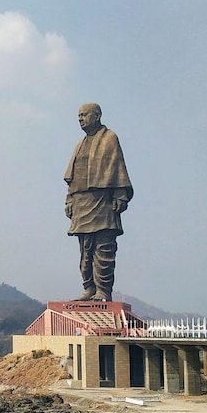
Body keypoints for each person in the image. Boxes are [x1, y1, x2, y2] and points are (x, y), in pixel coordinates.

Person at [64, 103, 133, 301]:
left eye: (84, 114)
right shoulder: (79, 144)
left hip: (102, 202)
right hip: (81, 202)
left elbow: (117, 167)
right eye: (78, 115)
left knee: (104, 249)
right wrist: (69, 200)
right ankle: (89, 288)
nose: (80, 118)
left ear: (97, 116)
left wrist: (120, 195)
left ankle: (103, 291)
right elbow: (72, 178)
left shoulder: (109, 138)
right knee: (85, 251)